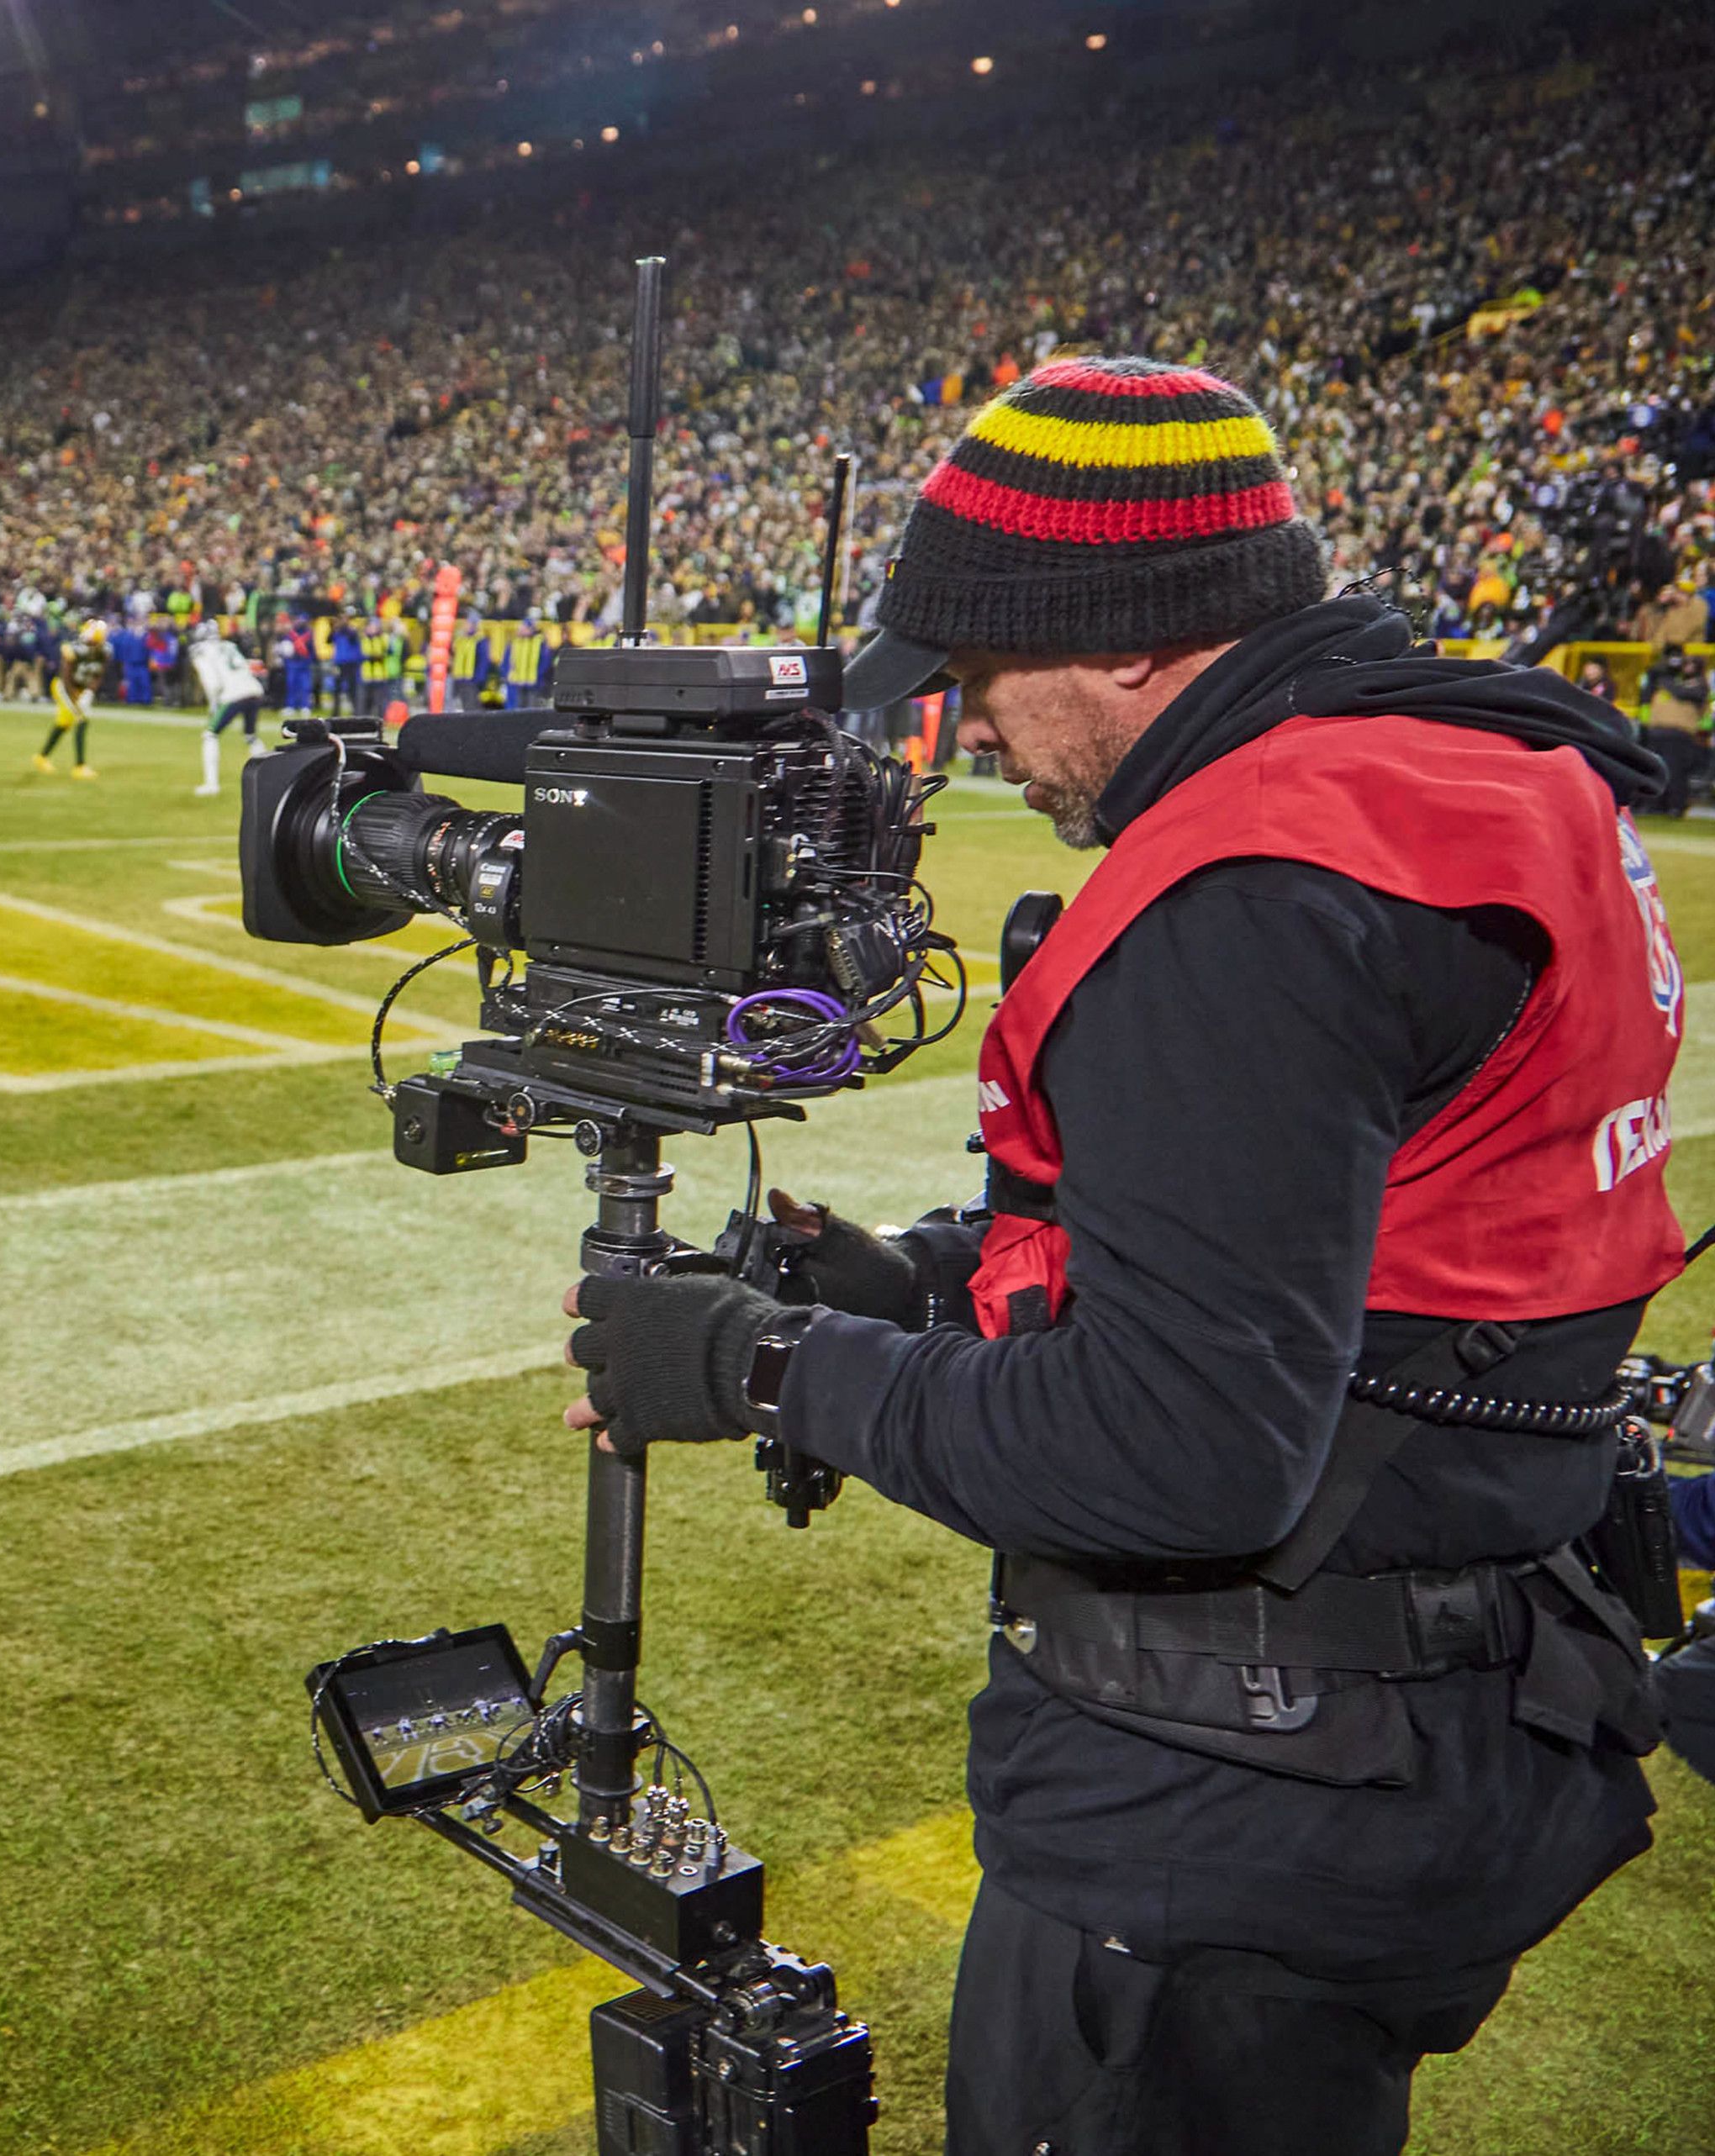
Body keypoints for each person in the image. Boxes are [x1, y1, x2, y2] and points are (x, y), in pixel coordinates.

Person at [555, 359, 1681, 2156]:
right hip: (1438, 1714)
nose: (961, 732)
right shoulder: (1470, 775)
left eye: (978, 675)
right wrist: (918, 1279)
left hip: (1239, 1794)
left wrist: (757, 1368)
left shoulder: (1251, 880)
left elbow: (1175, 1447)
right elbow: (1332, 1237)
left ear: (1137, 643)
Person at [189, 621, 268, 796]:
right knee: (251, 736)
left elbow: (212, 683)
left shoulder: (202, 652)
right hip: (253, 690)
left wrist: (213, 705)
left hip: (234, 694)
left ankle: (211, 784)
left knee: (210, 735)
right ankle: (269, 776)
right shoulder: (229, 645)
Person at [34, 619, 110, 778]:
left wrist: (89, 693)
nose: (95, 645)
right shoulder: (74, 650)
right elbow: (65, 676)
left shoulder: (104, 651)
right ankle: (79, 767)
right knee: (82, 719)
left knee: (64, 723)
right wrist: (75, 697)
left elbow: (98, 675)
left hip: (81, 689)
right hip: (63, 687)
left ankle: (41, 758)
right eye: (92, 642)